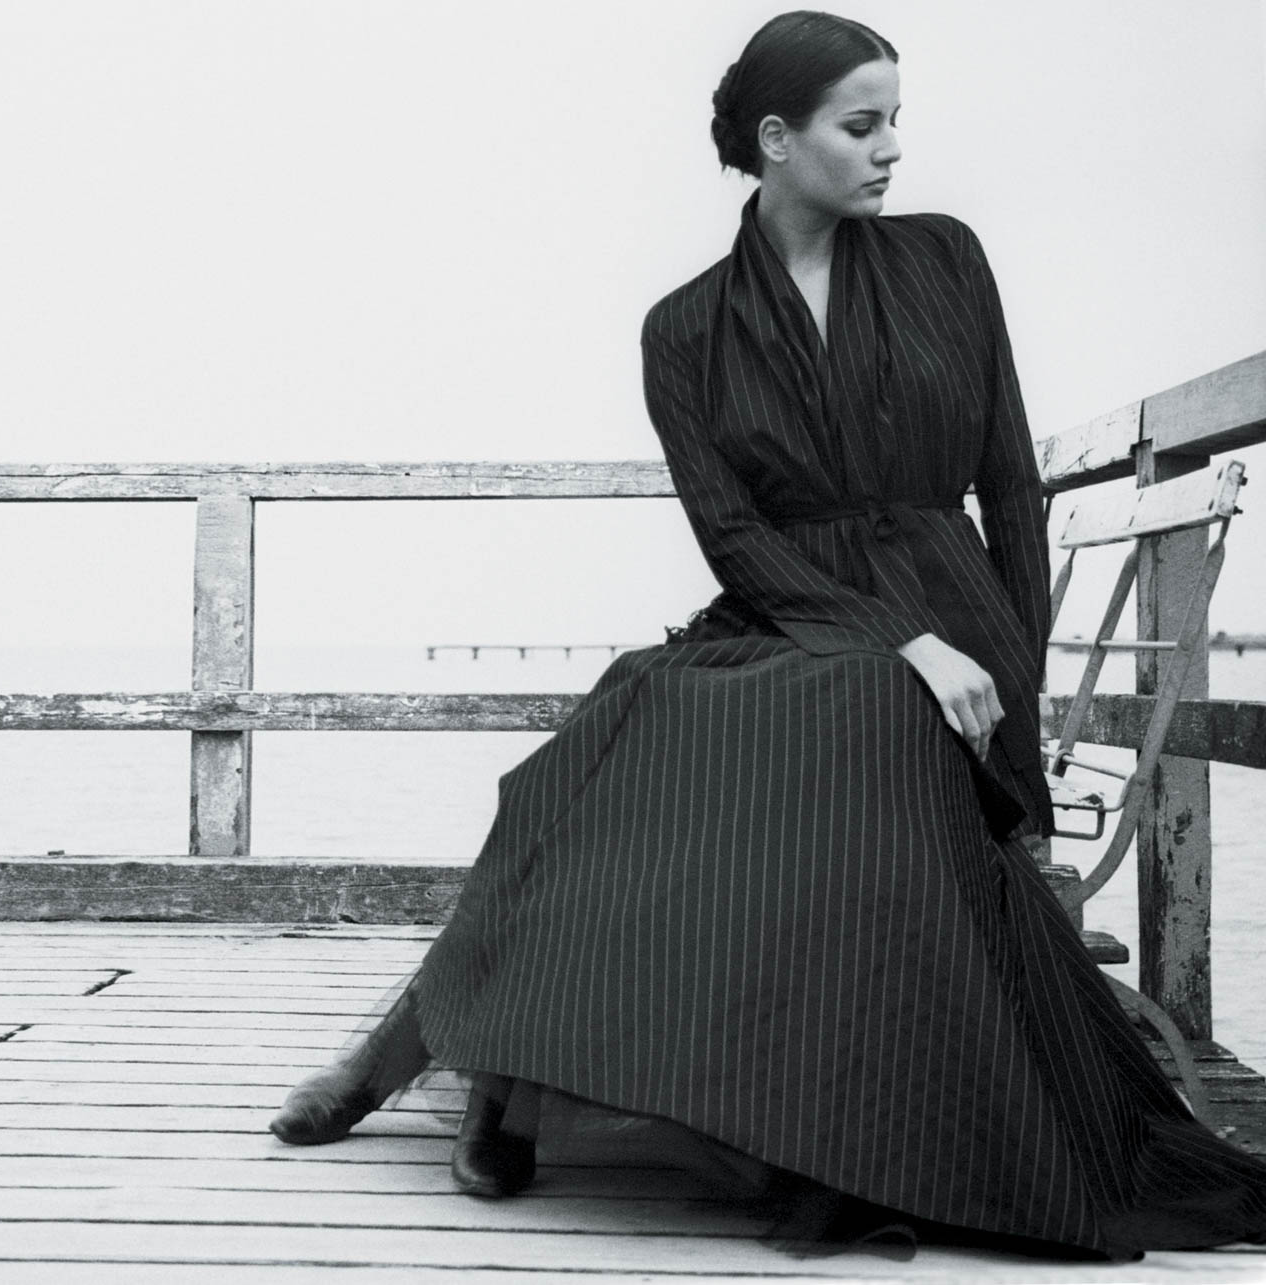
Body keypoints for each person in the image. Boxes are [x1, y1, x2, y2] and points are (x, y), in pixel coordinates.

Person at [267, 9, 1266, 1262]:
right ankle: (472, 1070)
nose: (893, 146)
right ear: (776, 139)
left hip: (955, 631)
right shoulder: (682, 329)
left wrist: (1009, 661)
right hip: (788, 608)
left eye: (897, 117)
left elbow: (1009, 482)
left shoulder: (947, 260)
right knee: (634, 715)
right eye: (864, 123)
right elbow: (733, 538)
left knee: (838, 716)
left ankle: (539, 1081)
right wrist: (892, 636)